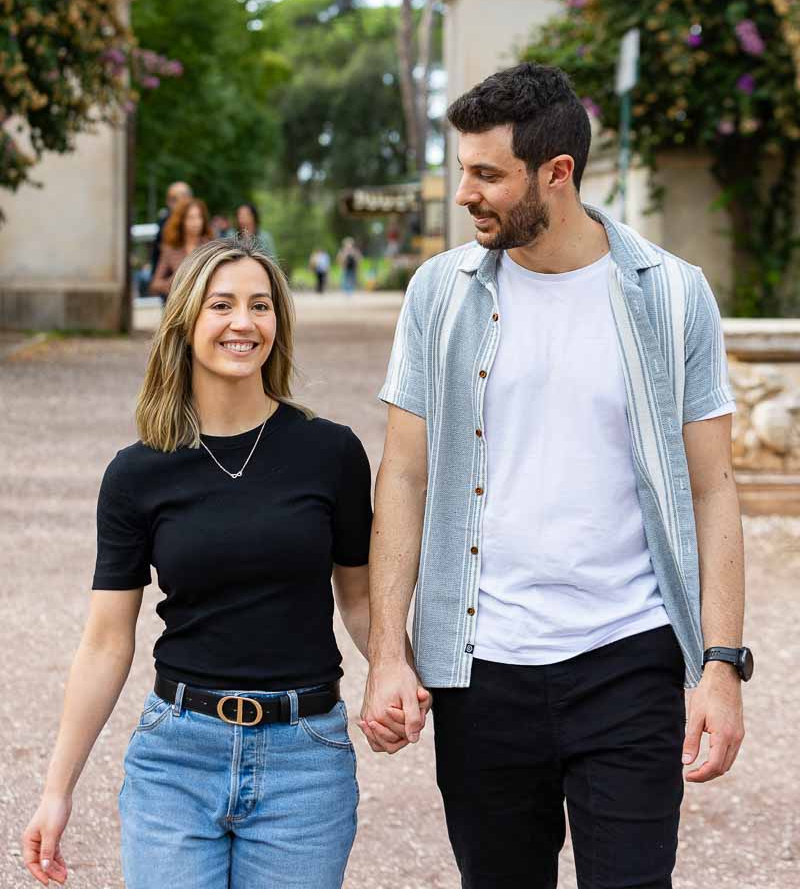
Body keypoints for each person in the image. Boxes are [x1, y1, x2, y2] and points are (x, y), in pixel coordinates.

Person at [361, 62, 750, 889]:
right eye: (462, 169)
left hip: (629, 659)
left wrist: (721, 665)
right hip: (481, 666)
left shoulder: (674, 295)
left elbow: (713, 487)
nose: (465, 192)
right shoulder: (440, 291)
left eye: (487, 175)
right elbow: (402, 474)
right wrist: (387, 653)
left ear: (557, 173)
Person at [21, 235, 400, 889]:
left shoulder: (329, 452)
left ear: (278, 324)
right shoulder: (136, 473)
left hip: (305, 760)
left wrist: (395, 671)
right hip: (176, 759)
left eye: (260, 306)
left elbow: (361, 599)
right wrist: (57, 789)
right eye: (222, 305)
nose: (243, 323)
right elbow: (107, 643)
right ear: (186, 322)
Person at [149, 196, 213, 298]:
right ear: (181, 221)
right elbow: (155, 284)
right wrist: (176, 282)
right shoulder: (171, 249)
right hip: (181, 306)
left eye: (199, 217)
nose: (196, 222)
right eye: (191, 218)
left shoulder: (210, 246)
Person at [149, 181, 192, 297]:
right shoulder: (164, 225)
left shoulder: (205, 239)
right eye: (172, 199)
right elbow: (157, 277)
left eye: (176, 199)